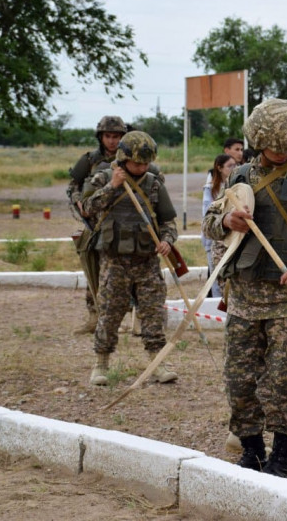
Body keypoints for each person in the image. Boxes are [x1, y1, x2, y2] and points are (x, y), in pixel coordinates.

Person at [203, 99, 287, 478]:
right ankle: (250, 450)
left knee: (283, 382)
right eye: (276, 146)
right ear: (260, 140)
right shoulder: (239, 175)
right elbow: (212, 221)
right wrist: (227, 219)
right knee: (239, 379)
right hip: (243, 297)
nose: (283, 152)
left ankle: (282, 457)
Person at [81, 131, 178, 387]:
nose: (142, 167)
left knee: (153, 313)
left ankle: (158, 364)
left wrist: (167, 240)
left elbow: (168, 221)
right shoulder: (103, 178)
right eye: (137, 163)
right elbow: (87, 208)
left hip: (147, 262)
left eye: (145, 163)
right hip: (115, 263)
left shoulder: (155, 184)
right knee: (110, 314)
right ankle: (100, 363)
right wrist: (112, 186)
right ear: (124, 159)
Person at [67, 115, 129, 335]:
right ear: (101, 137)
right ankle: (94, 316)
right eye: (108, 136)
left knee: (118, 274)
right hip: (94, 225)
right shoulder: (89, 160)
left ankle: (118, 317)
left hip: (122, 225)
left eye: (116, 136)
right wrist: (78, 202)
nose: (112, 141)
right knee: (92, 269)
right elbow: (73, 185)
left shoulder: (130, 158)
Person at [202, 154, 237, 297]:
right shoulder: (210, 189)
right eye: (230, 166)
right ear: (219, 168)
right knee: (217, 280)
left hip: (230, 239)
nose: (233, 169)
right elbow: (207, 214)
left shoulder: (237, 185)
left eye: (235, 165)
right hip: (214, 239)